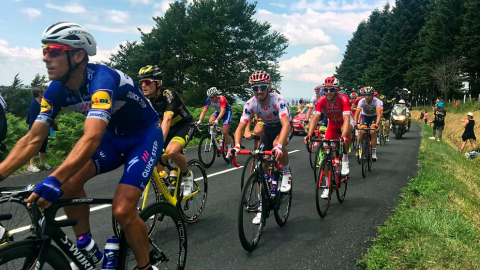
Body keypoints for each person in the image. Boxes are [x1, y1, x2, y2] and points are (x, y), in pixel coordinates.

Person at [0, 22, 162, 270]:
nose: (45, 58)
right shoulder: (56, 90)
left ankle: (146, 267)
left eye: (53, 50)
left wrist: (53, 178)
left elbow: (91, 137)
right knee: (70, 184)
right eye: (44, 51)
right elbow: (33, 139)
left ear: (77, 56)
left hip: (143, 136)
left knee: (122, 209)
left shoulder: (102, 79)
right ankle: (85, 245)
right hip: (113, 136)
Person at [229, 70, 293, 224]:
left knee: (277, 144)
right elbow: (240, 127)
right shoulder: (251, 103)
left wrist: (279, 146)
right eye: (255, 88)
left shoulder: (278, 99)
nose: (259, 91)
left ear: (268, 87)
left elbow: (285, 125)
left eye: (262, 87)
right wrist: (237, 145)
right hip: (268, 128)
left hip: (283, 127)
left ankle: (286, 171)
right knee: (261, 165)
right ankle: (261, 205)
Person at [138, 65, 195, 197]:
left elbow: (167, 119)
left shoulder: (169, 94)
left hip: (184, 125)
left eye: (147, 82)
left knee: (171, 151)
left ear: (158, 83)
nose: (143, 85)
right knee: (153, 158)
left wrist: (158, 143)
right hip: (166, 127)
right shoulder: (147, 100)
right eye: (141, 82)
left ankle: (187, 174)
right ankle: (163, 192)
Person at [304, 76, 352, 198]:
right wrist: (309, 135)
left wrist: (344, 136)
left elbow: (346, 119)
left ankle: (345, 158)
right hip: (332, 123)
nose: (328, 92)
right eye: (326, 90)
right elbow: (315, 118)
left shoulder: (344, 99)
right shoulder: (321, 100)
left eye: (331, 90)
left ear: (337, 89)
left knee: (345, 133)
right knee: (326, 153)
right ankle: (327, 185)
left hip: (344, 123)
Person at [26, 87, 53, 172]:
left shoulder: (42, 103)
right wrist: (33, 131)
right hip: (36, 129)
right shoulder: (34, 104)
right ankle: (31, 165)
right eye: (43, 92)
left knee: (43, 145)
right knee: (34, 146)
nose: (44, 94)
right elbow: (32, 119)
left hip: (44, 127)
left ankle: (42, 163)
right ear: (40, 94)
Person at [197, 87, 232, 152]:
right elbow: (204, 111)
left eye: (212, 97)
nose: (211, 99)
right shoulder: (208, 100)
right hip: (218, 112)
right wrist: (199, 121)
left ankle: (230, 148)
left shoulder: (222, 99)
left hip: (227, 112)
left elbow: (223, 112)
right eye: (209, 97)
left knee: (224, 131)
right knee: (210, 121)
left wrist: (217, 120)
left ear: (216, 95)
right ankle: (216, 138)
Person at [354, 87, 383, 161]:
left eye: (369, 95)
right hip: (365, 116)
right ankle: (361, 147)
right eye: (365, 95)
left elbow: (379, 114)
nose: (367, 97)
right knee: (362, 131)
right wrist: (355, 124)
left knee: (372, 132)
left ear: (372, 95)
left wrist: (377, 124)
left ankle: (373, 152)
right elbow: (357, 114)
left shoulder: (377, 101)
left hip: (374, 116)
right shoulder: (361, 101)